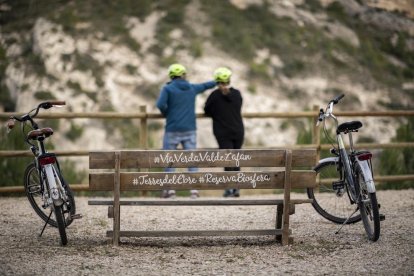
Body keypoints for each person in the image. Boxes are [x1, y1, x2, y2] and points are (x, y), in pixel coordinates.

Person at [156, 63, 216, 199]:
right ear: (183, 75)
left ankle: (170, 191)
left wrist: (167, 113)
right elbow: (205, 85)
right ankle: (194, 190)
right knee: (191, 159)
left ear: (171, 75)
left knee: (169, 159)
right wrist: (217, 81)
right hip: (190, 129)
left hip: (172, 128)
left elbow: (160, 104)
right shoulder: (192, 88)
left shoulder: (168, 89)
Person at [204, 67, 244, 197]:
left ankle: (228, 188)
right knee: (236, 158)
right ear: (229, 80)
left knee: (227, 159)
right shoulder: (237, 94)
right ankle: (237, 187)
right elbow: (238, 105)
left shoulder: (214, 96)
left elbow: (206, 110)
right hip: (238, 131)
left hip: (222, 132)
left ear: (217, 81)